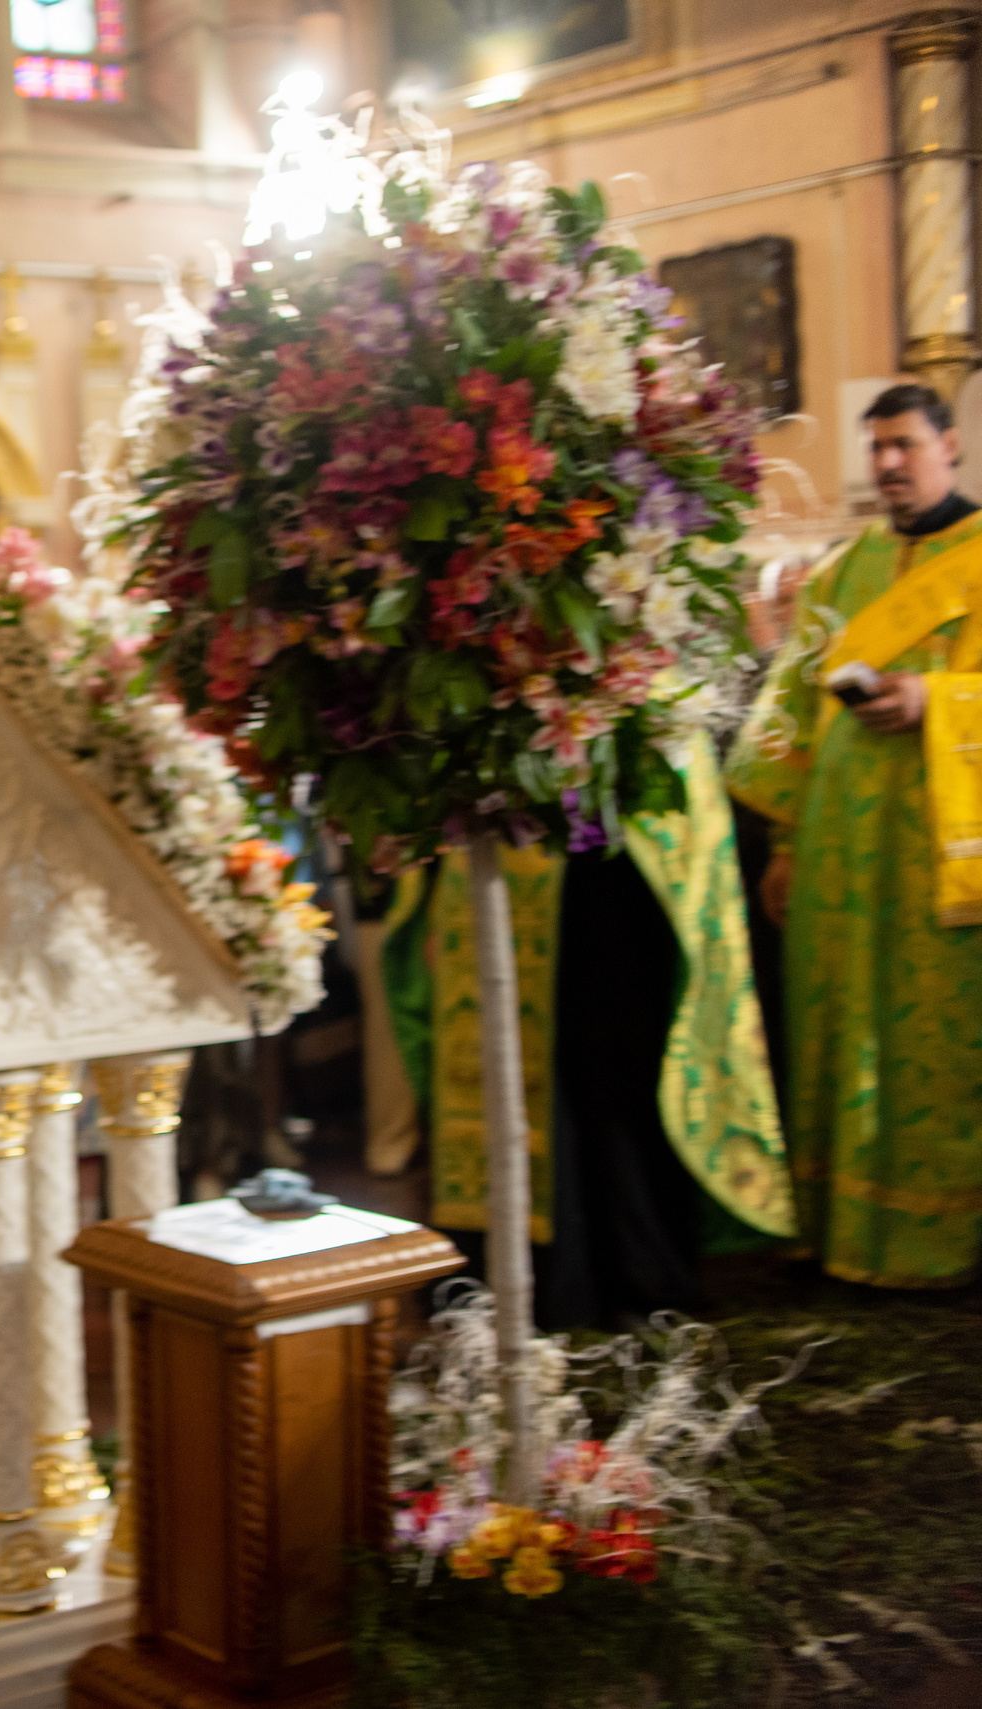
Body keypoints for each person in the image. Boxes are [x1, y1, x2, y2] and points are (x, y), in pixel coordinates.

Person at [385, 738, 791, 1327]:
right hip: (507, 820)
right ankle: (520, 1267)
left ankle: (628, 1266)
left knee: (616, 1060)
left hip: (623, 848)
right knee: (507, 1055)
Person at [730, 383, 982, 1288]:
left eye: (904, 446)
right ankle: (840, 1232)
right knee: (843, 1036)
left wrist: (938, 699)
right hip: (841, 853)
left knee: (937, 1056)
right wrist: (788, 842)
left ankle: (942, 1242)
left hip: (942, 861)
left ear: (949, 446)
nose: (886, 465)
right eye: (875, 448)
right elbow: (791, 707)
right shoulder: (842, 570)